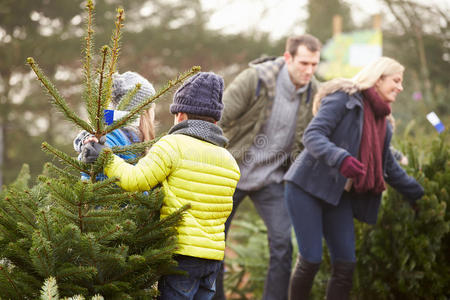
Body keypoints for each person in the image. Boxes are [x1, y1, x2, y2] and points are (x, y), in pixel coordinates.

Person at [80, 72, 241, 300]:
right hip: (213, 258)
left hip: (181, 254)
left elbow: (134, 180)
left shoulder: (172, 145)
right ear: (215, 121)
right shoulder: (229, 161)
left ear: (180, 116)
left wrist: (105, 157)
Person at [283, 57, 424, 299]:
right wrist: (341, 158)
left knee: (346, 264)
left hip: (339, 197)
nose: (400, 87)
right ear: (379, 79)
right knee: (312, 259)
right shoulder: (344, 99)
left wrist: (418, 194)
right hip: (307, 187)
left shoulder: (384, 124)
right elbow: (313, 135)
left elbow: (388, 166)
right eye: (396, 81)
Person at [215, 34, 322, 300]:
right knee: (215, 242)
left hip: (271, 179)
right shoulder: (256, 80)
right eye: (304, 63)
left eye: (314, 64)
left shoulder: (313, 94)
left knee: (283, 244)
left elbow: (324, 134)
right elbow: (217, 117)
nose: (309, 70)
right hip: (231, 171)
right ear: (288, 58)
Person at [73, 71, 156, 175]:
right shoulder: (116, 135)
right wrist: (92, 146)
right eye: (152, 108)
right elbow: (93, 155)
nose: (153, 113)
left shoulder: (135, 139)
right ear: (144, 112)